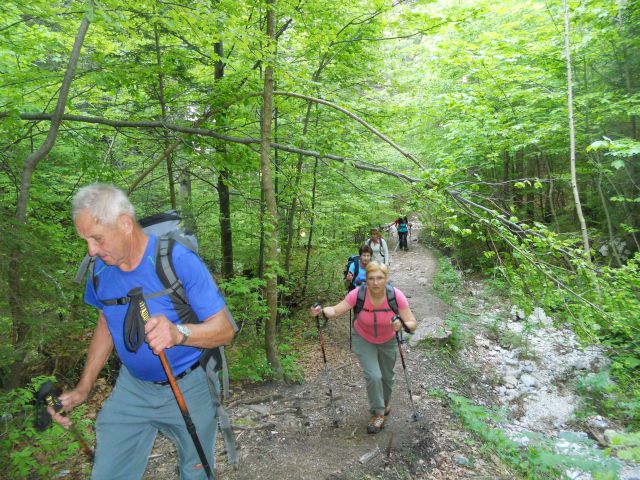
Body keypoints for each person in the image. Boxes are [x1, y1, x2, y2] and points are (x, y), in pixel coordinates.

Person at [49, 183, 237, 480]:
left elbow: (225, 330)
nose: (91, 250)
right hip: (132, 388)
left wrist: (179, 333)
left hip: (189, 385)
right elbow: (106, 325)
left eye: (97, 239)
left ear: (124, 224)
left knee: (196, 471)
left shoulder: (177, 260)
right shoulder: (100, 271)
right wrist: (84, 387)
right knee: (109, 472)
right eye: (85, 240)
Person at [310, 262, 417, 434]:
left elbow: (412, 324)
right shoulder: (358, 294)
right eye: (371, 278)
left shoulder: (395, 296)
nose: (375, 283)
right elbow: (337, 310)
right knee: (374, 376)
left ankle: (385, 403)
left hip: (388, 339)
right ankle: (378, 413)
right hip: (364, 338)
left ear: (386, 279)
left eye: (379, 278)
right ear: (366, 279)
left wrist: (402, 324)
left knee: (387, 378)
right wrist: (321, 311)